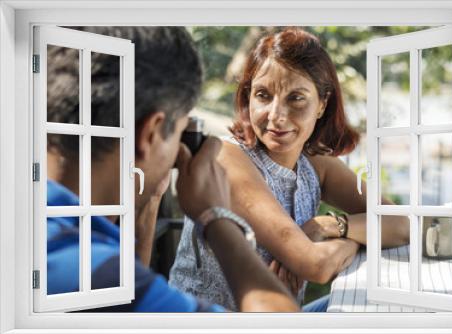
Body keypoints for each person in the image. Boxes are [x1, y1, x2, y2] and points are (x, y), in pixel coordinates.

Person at [46, 26, 299, 312]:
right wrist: (216, 217)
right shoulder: (91, 272)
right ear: (151, 134)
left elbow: (129, 302)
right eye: (180, 131)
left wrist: (150, 197)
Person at [169, 27, 410, 312]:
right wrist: (350, 241)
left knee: (388, 308)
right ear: (248, 98)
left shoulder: (315, 165)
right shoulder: (228, 156)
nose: (276, 116)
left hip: (279, 320)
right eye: (263, 95)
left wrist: (329, 226)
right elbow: (316, 265)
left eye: (296, 98)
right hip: (208, 322)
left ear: (322, 103)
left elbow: (401, 225)